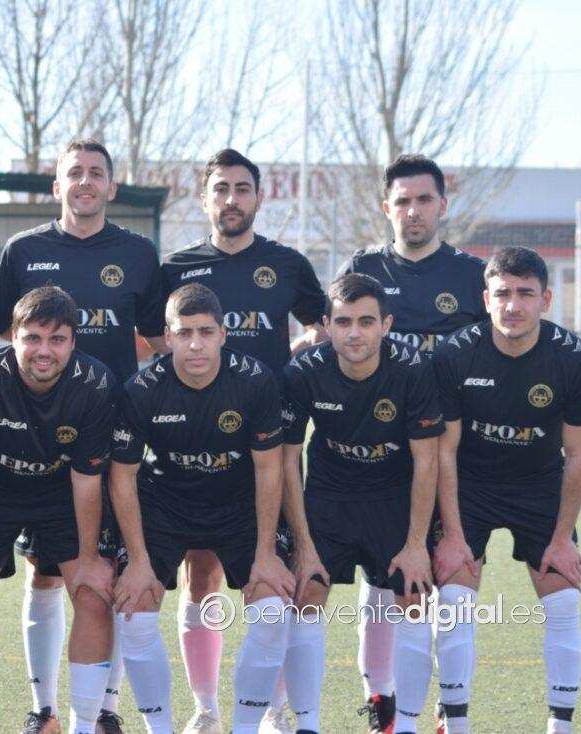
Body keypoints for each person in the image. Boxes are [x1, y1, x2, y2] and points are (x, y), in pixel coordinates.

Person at [0, 138, 162, 733]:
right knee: (41, 573)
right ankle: (42, 708)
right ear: (57, 185)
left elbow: (161, 336)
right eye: (75, 173)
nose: (85, 181)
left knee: (99, 576)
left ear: (111, 186)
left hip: (102, 429)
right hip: (21, 437)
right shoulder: (25, 249)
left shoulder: (139, 253)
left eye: (96, 173)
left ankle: (102, 710)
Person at [135, 148, 325, 734]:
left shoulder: (287, 264)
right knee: (201, 576)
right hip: (193, 441)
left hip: (269, 440)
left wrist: (294, 357)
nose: (231, 199)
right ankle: (206, 707)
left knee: (275, 574)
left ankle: (271, 708)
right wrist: (185, 370)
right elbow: (151, 333)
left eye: (242, 188)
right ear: (204, 198)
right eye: (220, 189)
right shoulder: (177, 267)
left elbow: (321, 322)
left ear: (258, 197)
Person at [336, 154, 487, 732]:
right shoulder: (364, 267)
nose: (413, 211)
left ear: (442, 206)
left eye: (424, 200)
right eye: (402, 201)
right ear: (387, 207)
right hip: (381, 452)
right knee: (382, 583)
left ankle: (451, 705)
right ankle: (381, 701)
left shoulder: (472, 275)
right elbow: (340, 337)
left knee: (453, 580)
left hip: (454, 454)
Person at [110, 283, 294, 734]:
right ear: (167, 336)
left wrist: (266, 553)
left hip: (238, 503)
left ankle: (248, 726)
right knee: (134, 609)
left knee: (272, 609)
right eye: (184, 332)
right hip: (166, 502)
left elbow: (270, 470)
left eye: (206, 332)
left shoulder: (255, 381)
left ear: (223, 334)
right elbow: (123, 478)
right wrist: (138, 561)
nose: (195, 344)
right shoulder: (141, 391)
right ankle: (179, 722)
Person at [430, 246, 581, 734]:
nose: (513, 305)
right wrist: (453, 536)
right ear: (486, 299)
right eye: (502, 293)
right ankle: (456, 723)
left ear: (545, 300)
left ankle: (560, 726)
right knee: (454, 601)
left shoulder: (576, 359)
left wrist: (562, 538)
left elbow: (578, 455)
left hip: (539, 484)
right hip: (470, 486)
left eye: (526, 293)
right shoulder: (455, 354)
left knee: (563, 602)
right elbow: (444, 453)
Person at [0, 286, 117, 734]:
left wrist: (90, 559)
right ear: (13, 337)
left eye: (56, 339)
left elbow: (86, 480)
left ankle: (82, 727)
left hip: (62, 492)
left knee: (93, 594)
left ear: (73, 342)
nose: (43, 350)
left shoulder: (96, 383)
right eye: (33, 338)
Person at [278, 273, 445, 734]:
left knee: (412, 596)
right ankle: (307, 724)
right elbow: (288, 461)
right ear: (326, 325)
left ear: (386, 325)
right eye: (344, 322)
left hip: (393, 498)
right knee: (306, 593)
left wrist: (416, 544)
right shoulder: (304, 372)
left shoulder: (413, 370)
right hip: (329, 498)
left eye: (366, 322)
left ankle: (405, 725)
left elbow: (427, 461)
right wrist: (303, 544)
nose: (354, 333)